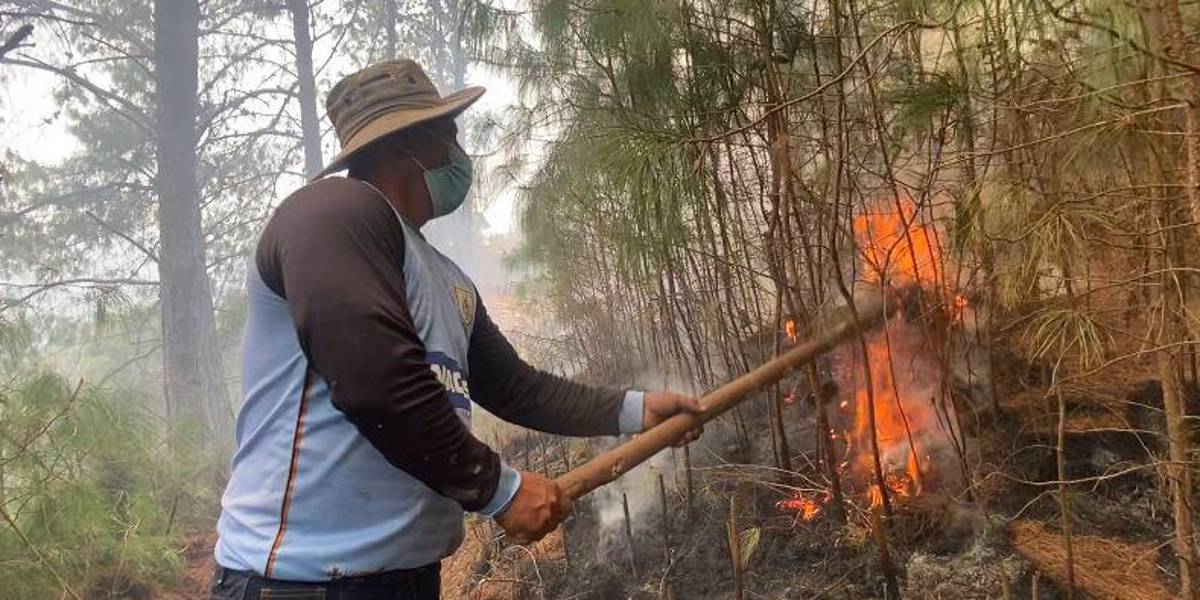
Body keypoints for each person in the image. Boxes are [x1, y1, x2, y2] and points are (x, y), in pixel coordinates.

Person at [209, 58, 702, 600]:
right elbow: (375, 377)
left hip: (406, 578)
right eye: (451, 134)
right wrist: (499, 490)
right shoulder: (329, 213)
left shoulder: (446, 278)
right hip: (300, 583)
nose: (460, 153)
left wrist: (634, 410)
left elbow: (516, 387)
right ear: (410, 143)